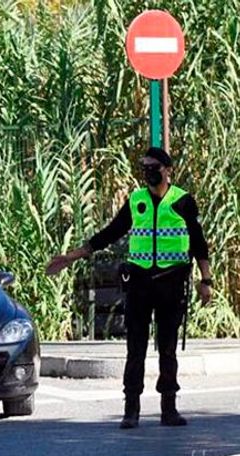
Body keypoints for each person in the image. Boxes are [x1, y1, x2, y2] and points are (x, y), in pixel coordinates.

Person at [46, 147, 212, 429]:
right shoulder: (136, 201)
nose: (149, 171)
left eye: (154, 166)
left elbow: (198, 242)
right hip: (139, 284)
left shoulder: (183, 201)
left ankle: (168, 408)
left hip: (171, 284)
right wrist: (71, 256)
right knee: (136, 348)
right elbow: (110, 233)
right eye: (144, 167)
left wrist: (206, 280)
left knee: (168, 349)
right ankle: (131, 409)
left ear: (168, 169)